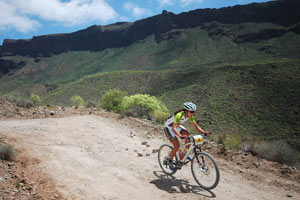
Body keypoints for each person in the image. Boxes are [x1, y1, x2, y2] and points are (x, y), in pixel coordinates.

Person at [164, 102, 210, 171]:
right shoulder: (179, 115)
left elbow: (196, 126)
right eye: (191, 112)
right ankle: (170, 161)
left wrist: (204, 132)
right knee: (177, 146)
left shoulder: (190, 116)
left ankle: (184, 153)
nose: (192, 113)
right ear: (186, 111)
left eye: (194, 112)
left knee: (189, 138)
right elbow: (174, 128)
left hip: (177, 126)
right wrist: (180, 136)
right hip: (168, 128)